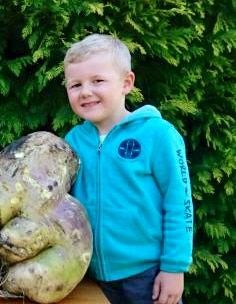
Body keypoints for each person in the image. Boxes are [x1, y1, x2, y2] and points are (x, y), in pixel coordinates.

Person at [63, 34, 193, 304]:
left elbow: (179, 204)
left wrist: (174, 267)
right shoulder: (72, 141)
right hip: (89, 274)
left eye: (97, 80)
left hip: (147, 275)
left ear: (127, 83)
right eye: (75, 84)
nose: (85, 91)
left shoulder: (158, 134)